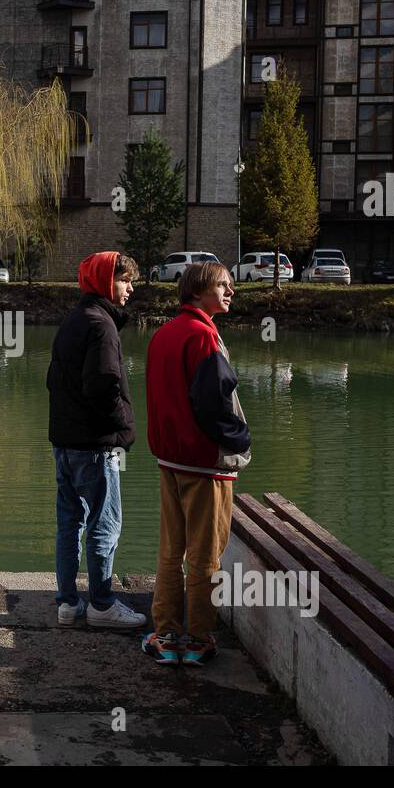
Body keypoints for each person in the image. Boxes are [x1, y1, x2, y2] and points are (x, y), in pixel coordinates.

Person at [142, 261, 251, 666]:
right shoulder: (204, 336)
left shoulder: (163, 334)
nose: (231, 292)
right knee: (206, 554)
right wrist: (240, 438)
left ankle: (166, 634)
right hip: (205, 465)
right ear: (199, 289)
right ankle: (199, 638)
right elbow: (215, 402)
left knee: (171, 550)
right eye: (224, 285)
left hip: (170, 459)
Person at [46, 251, 146, 630]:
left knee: (70, 523)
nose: (130, 288)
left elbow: (54, 382)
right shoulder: (101, 326)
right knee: (106, 522)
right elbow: (104, 385)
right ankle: (103, 604)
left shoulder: (73, 320)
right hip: (97, 445)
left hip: (66, 443)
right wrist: (126, 429)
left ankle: (68, 603)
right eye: (124, 281)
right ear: (106, 282)